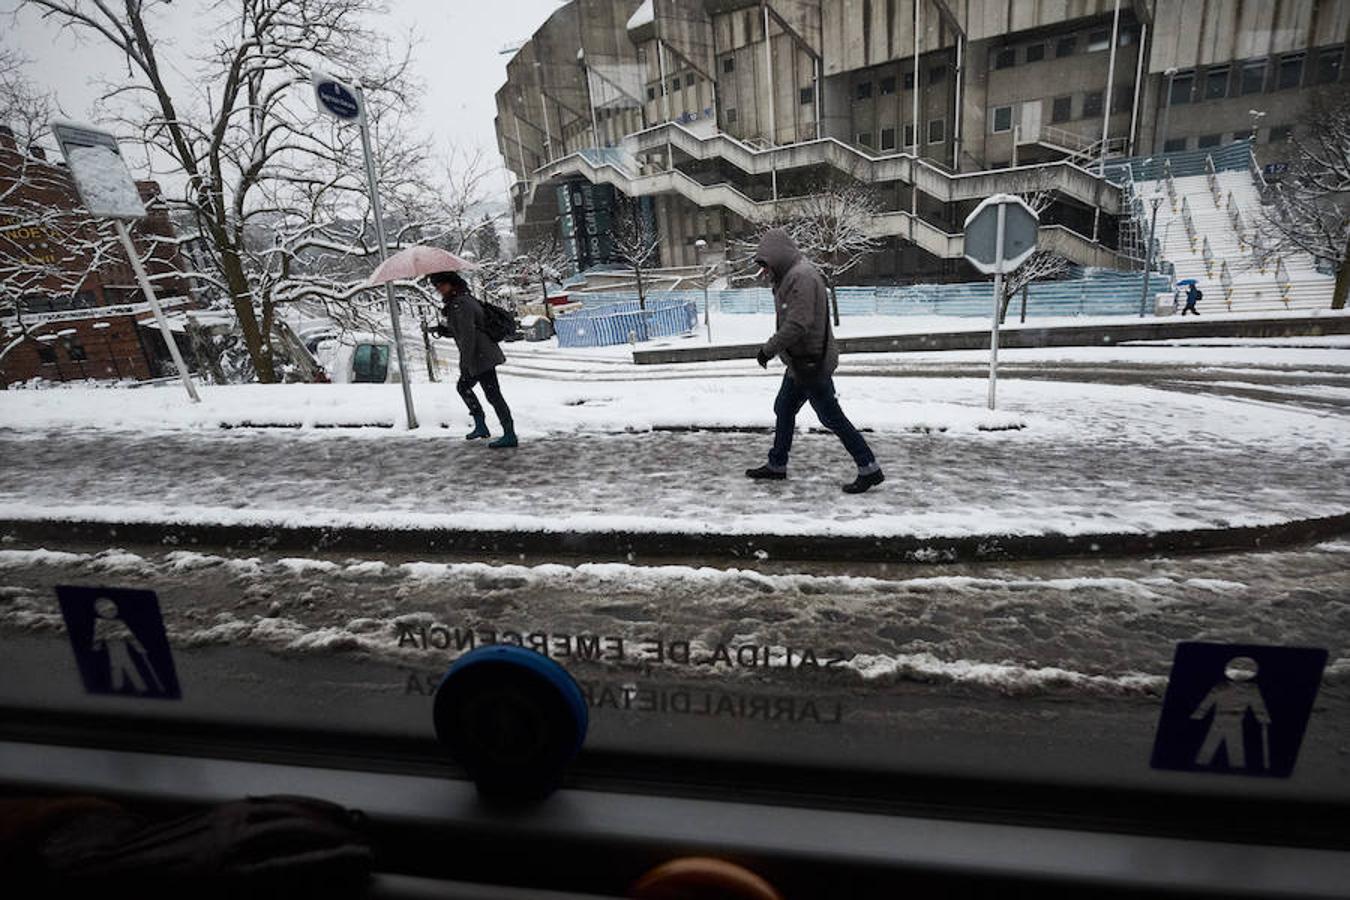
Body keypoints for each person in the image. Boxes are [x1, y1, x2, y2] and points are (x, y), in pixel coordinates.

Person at [745, 228, 884, 494]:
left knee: (831, 417)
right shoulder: (791, 275)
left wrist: (768, 349)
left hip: (811, 363)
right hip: (800, 363)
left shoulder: (801, 277)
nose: (764, 272)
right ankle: (777, 464)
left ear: (777, 257)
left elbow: (798, 323)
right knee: (784, 408)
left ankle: (869, 468)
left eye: (766, 265)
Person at [429, 271, 517, 449]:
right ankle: (484, 426)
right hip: (483, 355)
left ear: (451, 283)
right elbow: (463, 329)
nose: (439, 289)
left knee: (487, 393)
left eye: (441, 285)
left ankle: (507, 434)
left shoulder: (459, 304)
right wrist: (443, 330)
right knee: (481, 391)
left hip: (481, 356)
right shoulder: (463, 299)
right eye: (436, 286)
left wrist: (465, 364)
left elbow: (468, 336)